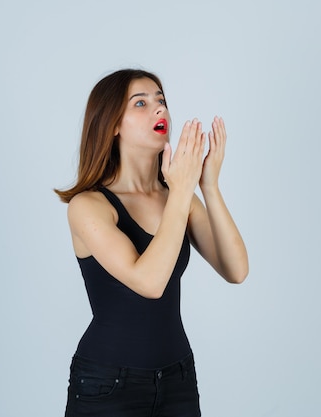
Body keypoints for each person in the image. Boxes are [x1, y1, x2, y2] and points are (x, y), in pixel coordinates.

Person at [55, 68, 249, 417]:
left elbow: (236, 270)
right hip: (106, 385)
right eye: (141, 103)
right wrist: (181, 190)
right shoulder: (89, 206)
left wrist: (207, 186)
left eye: (161, 100)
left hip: (178, 380)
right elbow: (149, 282)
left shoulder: (179, 197)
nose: (160, 110)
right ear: (112, 124)